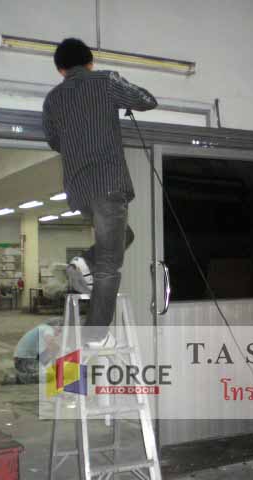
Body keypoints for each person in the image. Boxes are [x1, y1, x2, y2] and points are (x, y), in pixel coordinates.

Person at [42, 38, 157, 346]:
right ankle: (96, 335)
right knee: (109, 265)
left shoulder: (52, 99)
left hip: (80, 190)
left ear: (61, 69)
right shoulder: (105, 81)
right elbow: (147, 100)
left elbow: (54, 141)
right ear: (89, 62)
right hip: (107, 185)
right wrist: (119, 92)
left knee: (123, 237)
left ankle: (84, 263)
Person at [3, 319, 62, 385]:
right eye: (60, 330)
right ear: (56, 326)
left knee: (55, 349)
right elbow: (50, 342)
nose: (59, 334)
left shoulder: (42, 328)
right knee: (48, 377)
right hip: (24, 360)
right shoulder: (48, 329)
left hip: (22, 360)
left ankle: (29, 372)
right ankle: (15, 378)